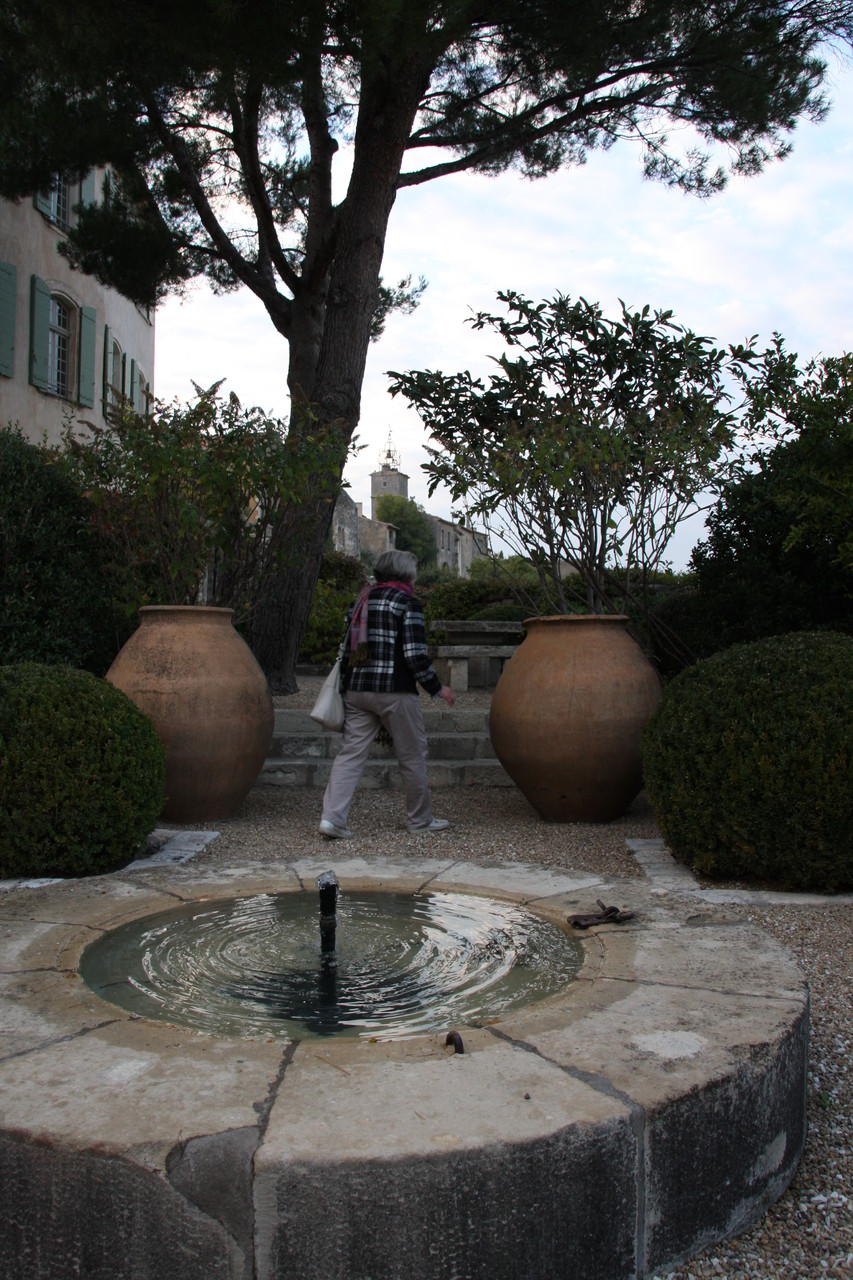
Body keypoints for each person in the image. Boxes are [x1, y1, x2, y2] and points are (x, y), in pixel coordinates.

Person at [318, 549, 456, 838]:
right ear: (406, 574)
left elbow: (349, 648)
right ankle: (420, 821)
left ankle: (332, 820)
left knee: (350, 755)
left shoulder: (361, 600)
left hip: (357, 691)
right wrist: (437, 688)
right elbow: (414, 655)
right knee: (412, 755)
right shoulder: (407, 603)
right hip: (395, 692)